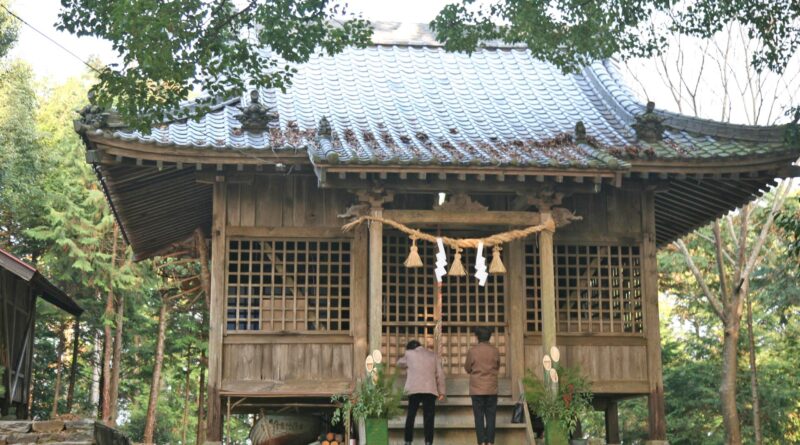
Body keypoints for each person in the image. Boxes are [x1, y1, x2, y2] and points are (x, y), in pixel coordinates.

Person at [397, 339, 446, 445]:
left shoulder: (409, 354)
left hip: (414, 390)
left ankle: (408, 441)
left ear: (410, 348)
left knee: (411, 415)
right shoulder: (433, 355)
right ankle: (428, 442)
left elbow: (399, 363)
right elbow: (440, 375)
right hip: (430, 390)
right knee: (429, 417)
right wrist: (441, 391)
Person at [465, 327, 500, 445]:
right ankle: (490, 442)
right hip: (491, 388)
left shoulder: (472, 351)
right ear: (489, 337)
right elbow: (497, 366)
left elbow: (467, 368)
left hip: (476, 389)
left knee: (478, 417)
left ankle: (481, 442)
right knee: (491, 417)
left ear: (477, 337)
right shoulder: (495, 351)